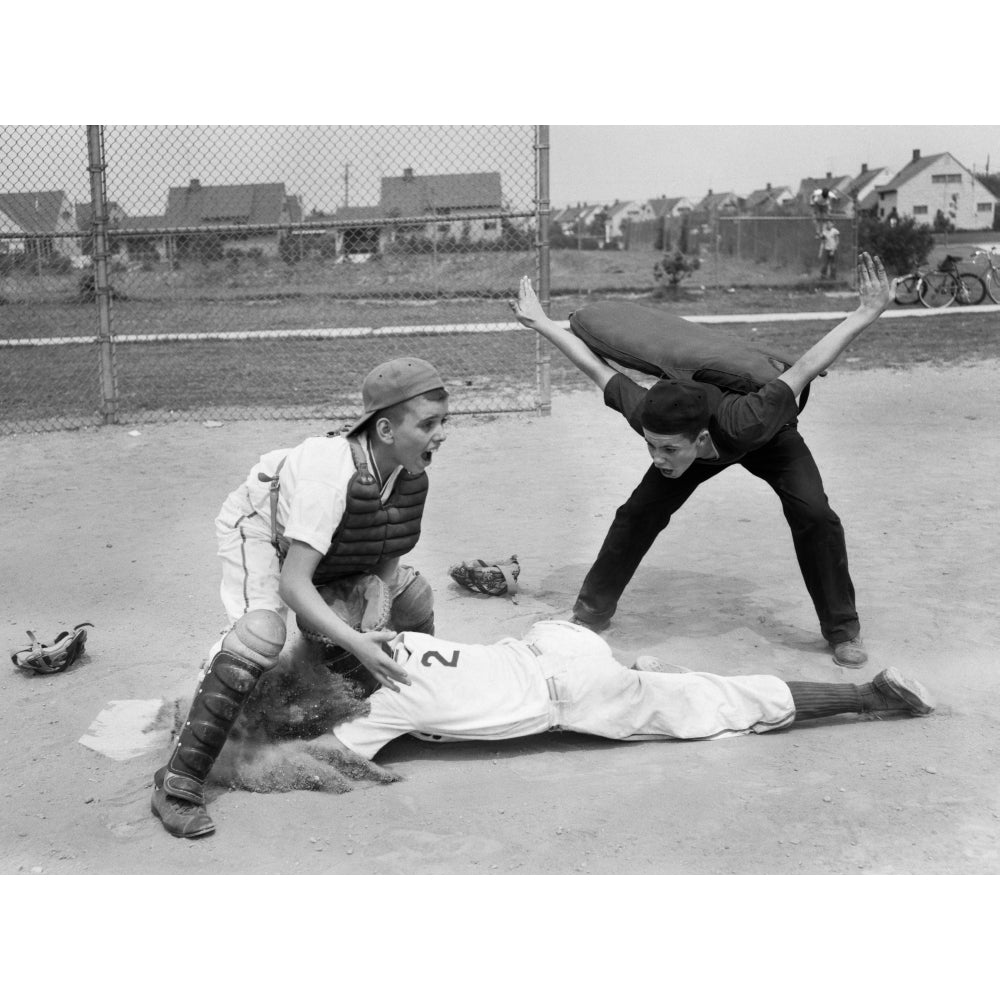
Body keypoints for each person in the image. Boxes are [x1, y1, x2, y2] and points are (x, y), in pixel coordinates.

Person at [509, 255, 898, 669]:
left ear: (700, 439)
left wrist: (866, 312)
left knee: (815, 514)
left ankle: (842, 629)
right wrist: (543, 322)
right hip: (697, 438)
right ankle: (590, 615)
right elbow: (593, 366)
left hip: (770, 439)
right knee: (636, 513)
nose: (658, 459)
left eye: (668, 450)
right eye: (651, 447)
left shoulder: (749, 420)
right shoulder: (650, 415)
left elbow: (805, 366)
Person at [151, 356, 450, 838]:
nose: (441, 434)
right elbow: (294, 583)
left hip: (318, 540)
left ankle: (380, 707)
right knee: (262, 636)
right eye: (429, 424)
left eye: (443, 422)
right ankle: (178, 781)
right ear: (387, 430)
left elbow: (383, 559)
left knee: (411, 597)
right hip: (262, 530)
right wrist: (353, 641)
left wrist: (365, 620)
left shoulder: (409, 474)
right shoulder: (326, 480)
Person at [302, 619, 934, 766]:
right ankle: (651, 678)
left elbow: (324, 759)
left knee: (724, 704)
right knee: (655, 686)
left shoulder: (382, 707)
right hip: (555, 641)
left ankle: (870, 697)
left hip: (576, 693)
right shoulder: (398, 636)